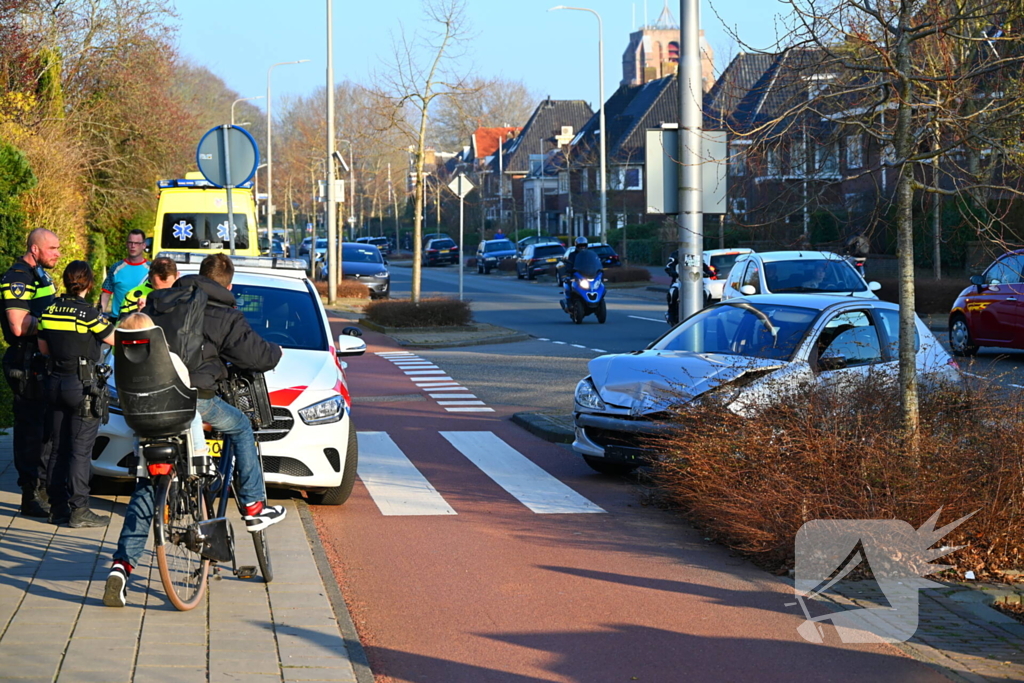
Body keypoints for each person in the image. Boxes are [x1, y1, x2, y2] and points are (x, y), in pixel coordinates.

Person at [105, 253, 284, 607]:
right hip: (194, 400)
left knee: (150, 484)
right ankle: (253, 505)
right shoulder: (222, 312)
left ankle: (121, 568)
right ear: (228, 285)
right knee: (241, 426)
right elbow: (257, 357)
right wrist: (277, 352)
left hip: (149, 405)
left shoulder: (160, 301)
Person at [37, 261, 115, 528]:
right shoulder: (88, 314)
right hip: (81, 387)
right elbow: (114, 339)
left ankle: (57, 508)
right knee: (80, 452)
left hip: (54, 384)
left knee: (57, 447)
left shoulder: (49, 310)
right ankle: (80, 509)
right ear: (89, 284)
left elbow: (44, 349)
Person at [1, 228, 60, 518]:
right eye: (52, 249)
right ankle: (30, 495)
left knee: (46, 430)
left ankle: (44, 489)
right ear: (35, 250)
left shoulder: (40, 275)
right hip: (26, 363)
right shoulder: (18, 277)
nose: (58, 254)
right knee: (31, 432)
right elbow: (18, 325)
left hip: (42, 362)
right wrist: (57, 324)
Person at [118, 312, 208, 463]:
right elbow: (185, 385)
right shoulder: (170, 358)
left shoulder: (121, 364)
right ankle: (199, 454)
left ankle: (136, 455)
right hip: (172, 416)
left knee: (138, 430)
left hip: (139, 417)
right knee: (195, 417)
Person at [100, 229, 148, 320]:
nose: (133, 246)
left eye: (137, 243)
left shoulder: (151, 270)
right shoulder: (116, 268)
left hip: (142, 320)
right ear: (126, 244)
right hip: (118, 320)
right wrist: (100, 315)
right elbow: (106, 293)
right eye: (130, 242)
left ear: (144, 245)